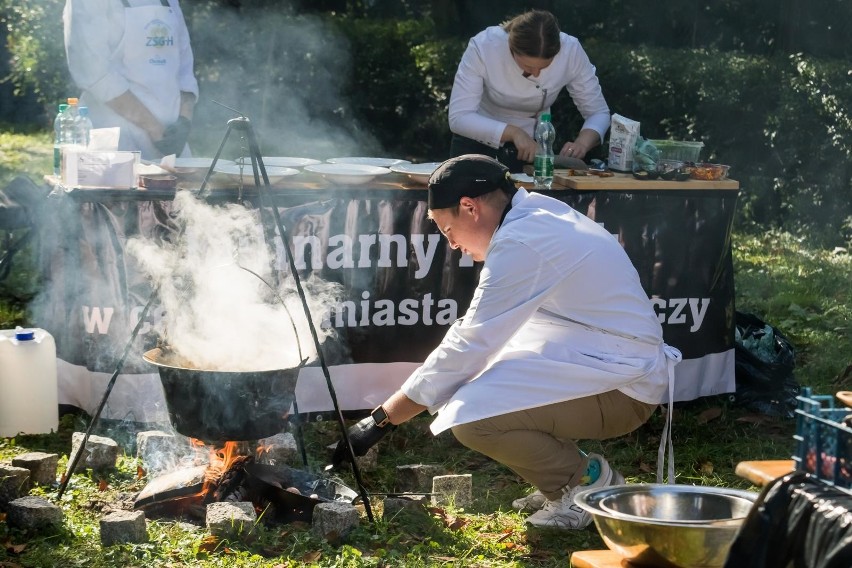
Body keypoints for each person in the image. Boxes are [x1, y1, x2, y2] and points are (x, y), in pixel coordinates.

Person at [332, 154, 680, 530]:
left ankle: (583, 484)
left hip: (624, 388)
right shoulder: (533, 217)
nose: (452, 245)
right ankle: (568, 475)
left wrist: (381, 421)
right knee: (474, 387)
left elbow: (469, 344)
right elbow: (475, 334)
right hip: (603, 362)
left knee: (473, 416)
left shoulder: (523, 241)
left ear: (469, 207)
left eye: (448, 230)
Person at [447, 10, 610, 172]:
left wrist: (582, 143)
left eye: (544, 67)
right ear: (511, 47)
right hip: (477, 137)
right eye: (528, 67)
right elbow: (460, 117)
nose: (537, 74)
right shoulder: (484, 46)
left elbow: (598, 112)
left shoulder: (571, 50)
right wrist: (514, 133)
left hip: (533, 148)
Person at [63, 0, 199, 160]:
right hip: (114, 145)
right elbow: (94, 72)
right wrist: (155, 129)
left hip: (173, 146)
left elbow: (185, 69)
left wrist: (184, 121)